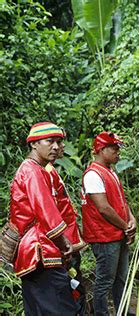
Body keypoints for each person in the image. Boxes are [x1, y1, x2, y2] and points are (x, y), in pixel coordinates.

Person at [9, 122, 75, 315]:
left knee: (38, 309)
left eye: (58, 142)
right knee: (59, 309)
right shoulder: (32, 171)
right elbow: (46, 212)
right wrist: (63, 242)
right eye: (50, 141)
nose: (55, 147)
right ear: (34, 144)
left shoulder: (37, 169)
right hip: (40, 250)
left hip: (32, 253)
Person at [81, 132, 136, 316]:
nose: (118, 152)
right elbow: (103, 208)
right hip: (104, 237)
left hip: (117, 233)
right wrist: (125, 226)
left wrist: (131, 219)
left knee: (121, 279)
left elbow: (121, 200)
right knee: (105, 281)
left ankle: (123, 312)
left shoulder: (110, 171)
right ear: (101, 149)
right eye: (114, 148)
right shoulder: (93, 174)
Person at [45, 129, 87, 315]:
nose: (60, 147)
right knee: (70, 289)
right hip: (63, 244)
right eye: (54, 142)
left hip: (68, 240)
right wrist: (63, 244)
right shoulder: (45, 171)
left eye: (60, 142)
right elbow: (51, 213)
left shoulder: (51, 170)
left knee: (74, 285)